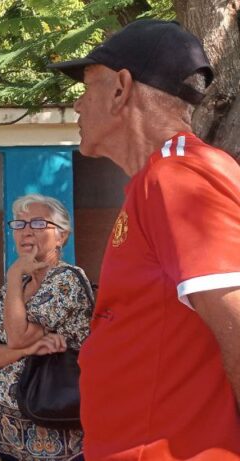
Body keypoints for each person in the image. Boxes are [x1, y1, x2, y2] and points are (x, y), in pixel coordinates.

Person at [49, 19, 240, 460]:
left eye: (86, 85)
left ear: (121, 88)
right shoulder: (156, 180)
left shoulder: (180, 175)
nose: (77, 104)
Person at [0, 194, 91, 461]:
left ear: (61, 236)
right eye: (19, 224)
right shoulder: (18, 285)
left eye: (39, 224)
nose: (26, 231)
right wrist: (25, 350)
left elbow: (16, 337)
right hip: (10, 431)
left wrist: (14, 275)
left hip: (55, 428)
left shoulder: (67, 279)